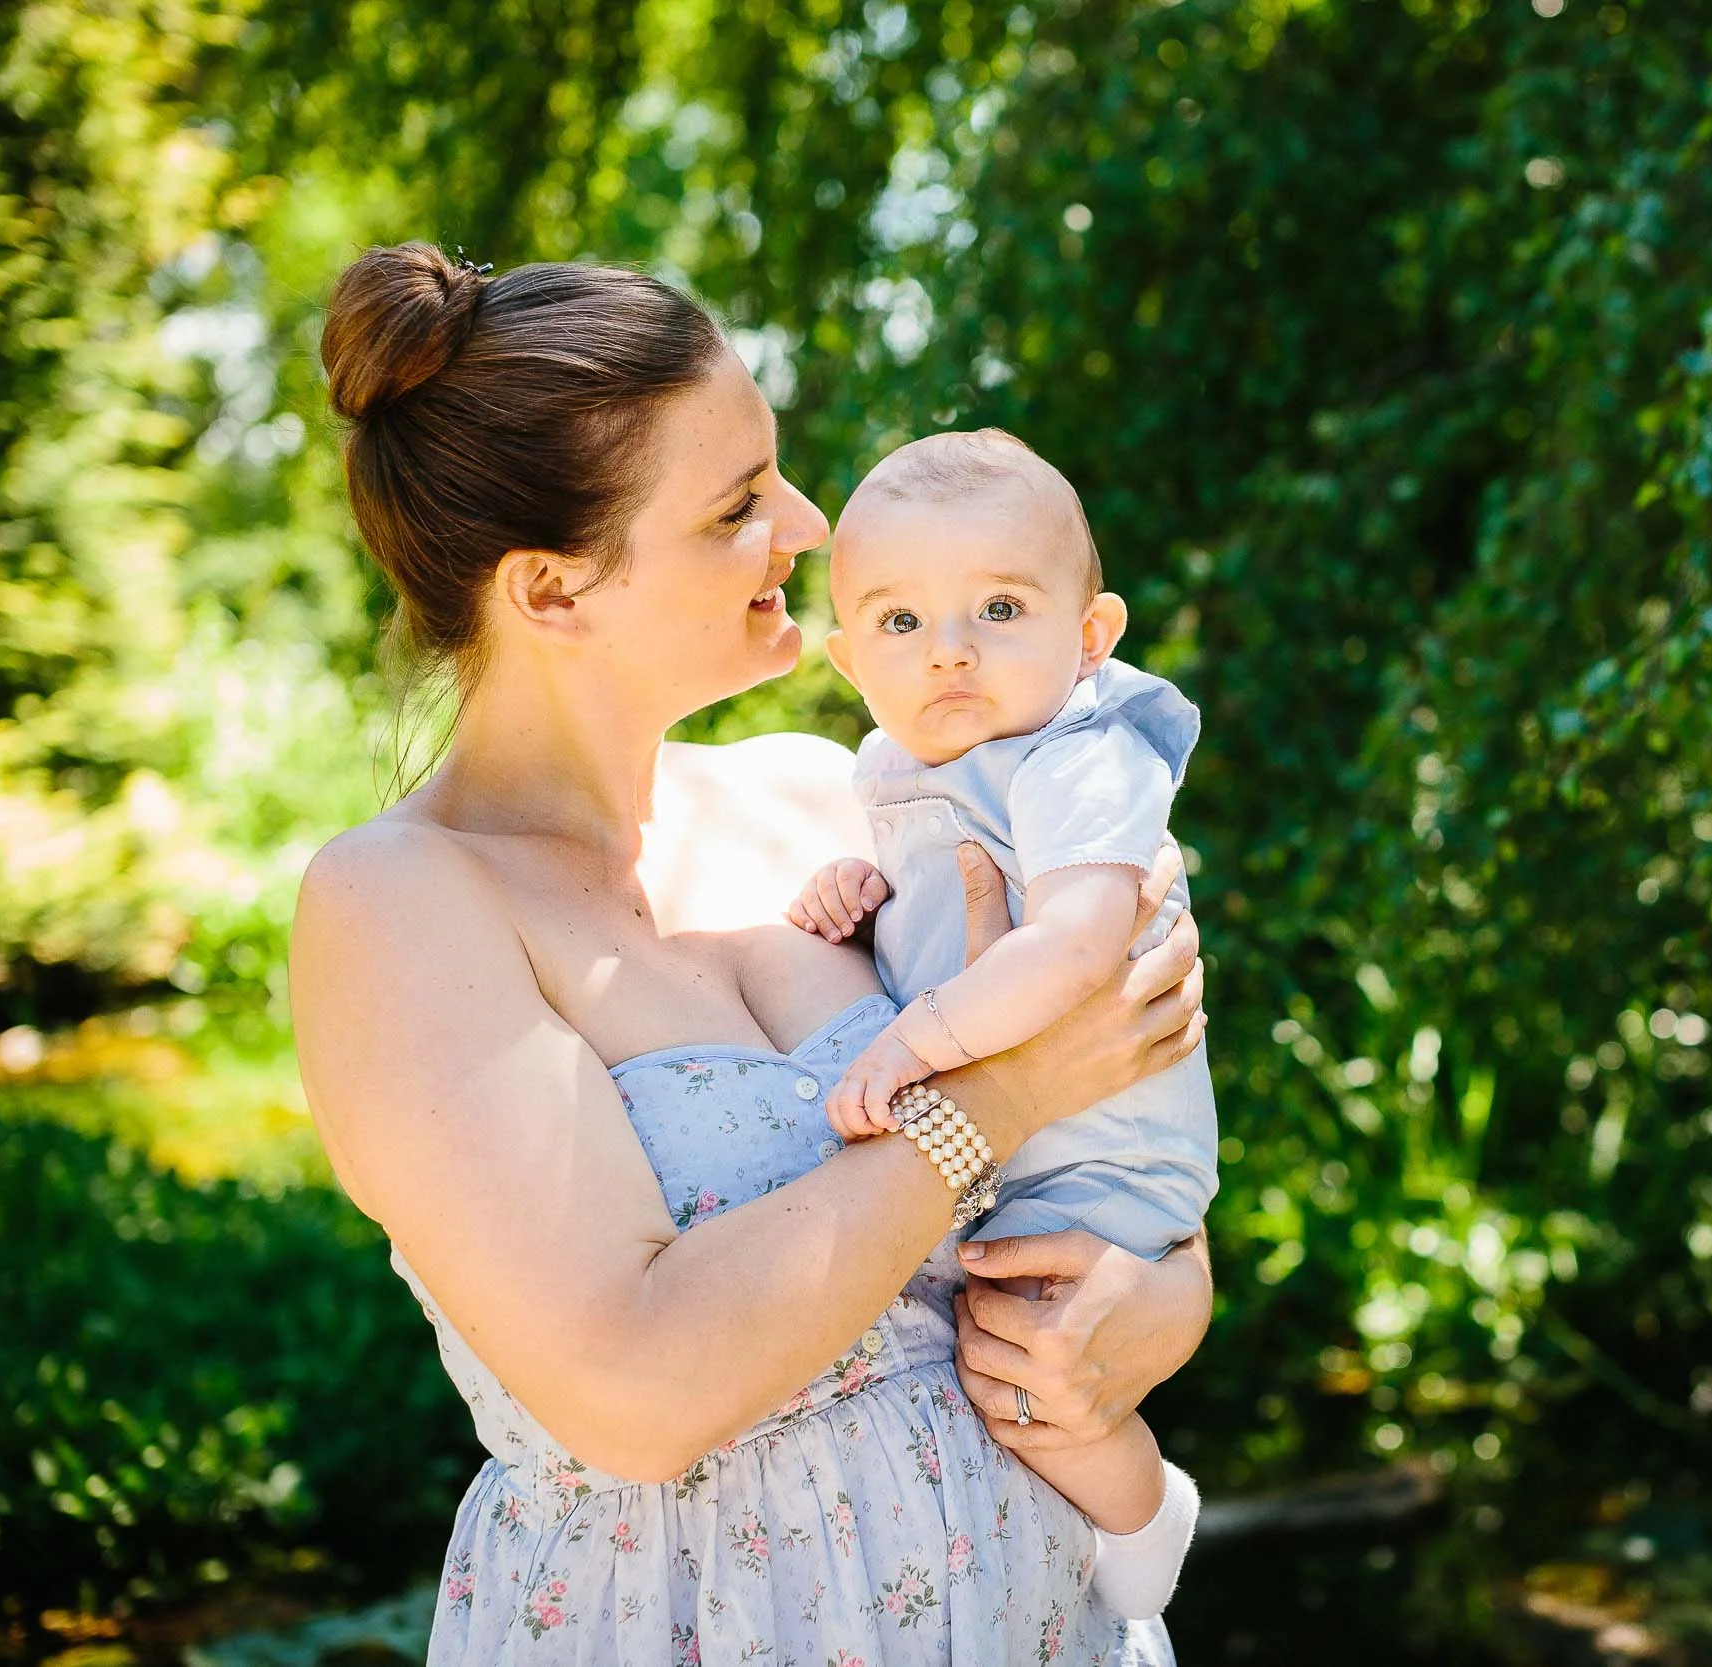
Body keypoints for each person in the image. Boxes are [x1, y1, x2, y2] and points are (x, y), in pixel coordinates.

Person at [287, 243, 1213, 1665]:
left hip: (1042, 1619)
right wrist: (996, 1098)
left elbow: (1133, 1137)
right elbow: (635, 1389)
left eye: (774, 470)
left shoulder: (842, 796)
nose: (807, 520)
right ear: (549, 589)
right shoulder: (400, 904)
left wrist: (1147, 1305)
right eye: (736, 504)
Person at [789, 430, 1218, 1617]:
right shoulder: (896, 766)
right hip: (1016, 1152)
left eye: (998, 606)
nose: (953, 652)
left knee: (1020, 1360)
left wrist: (912, 1040)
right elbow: (936, 894)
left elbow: (1076, 938)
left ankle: (1141, 1518)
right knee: (994, 1349)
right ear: (846, 657)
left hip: (1100, 1156)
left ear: (1091, 633)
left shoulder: (1079, 748)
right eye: (901, 623)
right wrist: (856, 892)